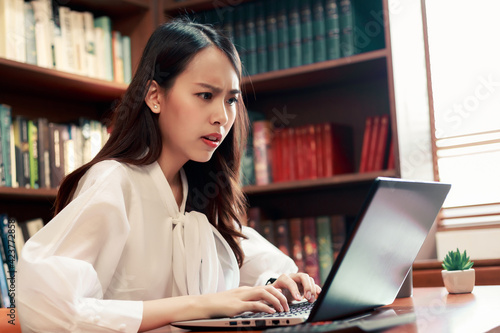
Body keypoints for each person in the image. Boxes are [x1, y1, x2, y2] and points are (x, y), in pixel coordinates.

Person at [17, 19, 321, 332]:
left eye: (231, 99)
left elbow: (249, 261)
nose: (223, 117)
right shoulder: (113, 182)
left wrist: (277, 285)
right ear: (154, 96)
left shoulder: (199, 191)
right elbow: (47, 308)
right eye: (205, 95)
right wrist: (201, 305)